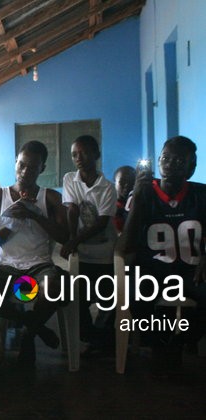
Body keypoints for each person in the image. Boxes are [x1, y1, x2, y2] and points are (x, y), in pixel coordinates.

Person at [121, 136, 206, 369]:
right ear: (158, 161)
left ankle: (178, 343)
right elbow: (124, 247)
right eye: (165, 158)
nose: (170, 165)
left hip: (191, 271)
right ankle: (159, 346)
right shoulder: (142, 194)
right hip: (154, 271)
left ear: (192, 167)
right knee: (135, 296)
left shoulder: (201, 195)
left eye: (179, 161)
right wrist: (137, 198)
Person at [0, 140, 69, 365]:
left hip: (37, 266)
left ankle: (28, 336)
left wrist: (36, 215)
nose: (25, 172)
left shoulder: (50, 197)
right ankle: (34, 325)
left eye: (32, 167)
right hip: (6, 267)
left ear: (42, 168)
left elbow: (64, 237)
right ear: (15, 163)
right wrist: (10, 224)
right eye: (21, 165)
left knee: (52, 289)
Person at [60, 135, 117, 347]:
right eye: (74, 154)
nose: (78, 158)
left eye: (83, 153)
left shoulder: (108, 187)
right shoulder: (70, 179)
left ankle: (103, 336)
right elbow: (72, 209)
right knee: (78, 294)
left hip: (105, 254)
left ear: (96, 154)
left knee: (109, 298)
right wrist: (72, 239)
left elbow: (102, 223)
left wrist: (73, 242)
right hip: (82, 253)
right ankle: (91, 336)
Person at [113, 165, 136, 233]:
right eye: (122, 181)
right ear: (115, 183)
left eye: (131, 181)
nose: (127, 185)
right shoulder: (109, 206)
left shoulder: (141, 204)